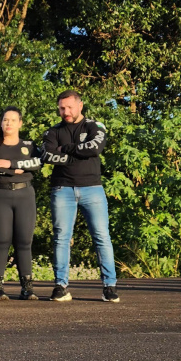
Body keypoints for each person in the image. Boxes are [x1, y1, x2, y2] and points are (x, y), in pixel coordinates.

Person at [41, 90, 119, 302]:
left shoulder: (94, 126)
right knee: (61, 238)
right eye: (61, 108)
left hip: (92, 188)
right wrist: (76, 153)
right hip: (62, 189)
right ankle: (60, 285)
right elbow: (47, 155)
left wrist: (65, 149)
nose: (65, 112)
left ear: (80, 105)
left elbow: (95, 148)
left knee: (102, 237)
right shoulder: (53, 131)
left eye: (69, 107)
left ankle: (109, 286)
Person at [0, 106, 41, 301]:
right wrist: (18, 169)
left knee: (24, 241)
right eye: (5, 120)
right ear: (1, 122)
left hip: (25, 195)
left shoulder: (30, 146)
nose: (9, 123)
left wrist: (9, 164)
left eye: (13, 120)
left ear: (20, 123)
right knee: (1, 240)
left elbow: (38, 163)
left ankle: (27, 288)